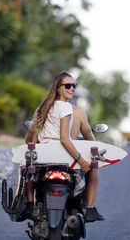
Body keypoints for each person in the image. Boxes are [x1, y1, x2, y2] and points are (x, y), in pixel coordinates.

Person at [22, 71, 104, 222]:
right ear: (58, 88)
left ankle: (29, 204)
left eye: (74, 85)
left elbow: (31, 141)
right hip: (66, 157)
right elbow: (65, 139)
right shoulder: (69, 109)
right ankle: (90, 209)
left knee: (28, 165)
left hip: (44, 158)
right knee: (94, 165)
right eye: (68, 85)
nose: (72, 88)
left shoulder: (42, 108)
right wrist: (82, 160)